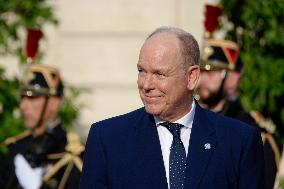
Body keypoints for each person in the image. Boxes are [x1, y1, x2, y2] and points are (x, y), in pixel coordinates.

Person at [80, 26, 265, 189]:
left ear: (191, 77)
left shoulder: (239, 141)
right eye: (142, 71)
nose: (146, 84)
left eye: (160, 74)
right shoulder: (107, 139)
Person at [196, 38, 280, 189]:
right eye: (201, 72)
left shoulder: (252, 131)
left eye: (212, 73)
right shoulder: (188, 121)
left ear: (233, 77)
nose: (202, 80)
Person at [0, 64, 83, 189]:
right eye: (22, 97)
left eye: (32, 98)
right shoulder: (15, 147)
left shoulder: (72, 154)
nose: (23, 106)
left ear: (54, 102)